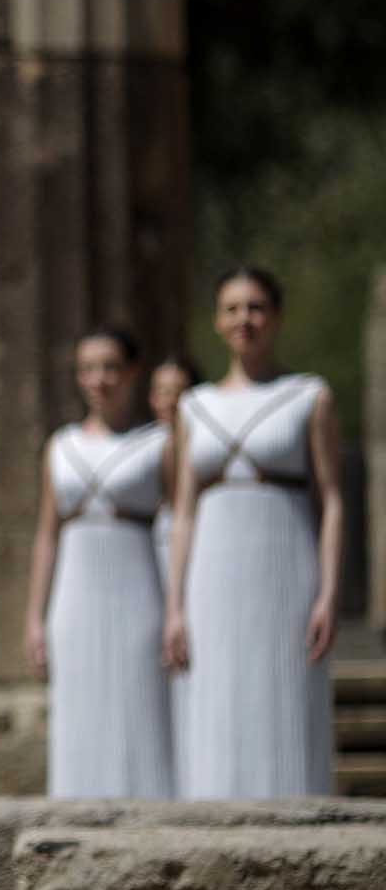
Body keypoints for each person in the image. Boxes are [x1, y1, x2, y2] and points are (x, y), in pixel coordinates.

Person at [165, 267, 342, 797]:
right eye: (233, 309)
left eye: (256, 307)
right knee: (217, 697)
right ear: (218, 322)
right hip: (213, 571)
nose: (245, 319)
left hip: (286, 563)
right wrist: (174, 605)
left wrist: (328, 595)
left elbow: (332, 500)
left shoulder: (308, 396)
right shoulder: (194, 406)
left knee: (284, 695)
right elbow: (185, 510)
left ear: (277, 318)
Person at [26, 330, 172, 797]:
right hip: (75, 592)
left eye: (109, 367)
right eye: (88, 369)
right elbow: (47, 534)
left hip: (138, 588)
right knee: (78, 706)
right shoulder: (61, 446)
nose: (99, 379)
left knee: (138, 704)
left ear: (131, 373)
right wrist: (35, 616)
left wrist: (178, 607)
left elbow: (178, 526)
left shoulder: (160, 443)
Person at [147, 355, 199, 750]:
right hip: (152, 558)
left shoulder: (199, 446)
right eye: (162, 392)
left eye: (178, 392)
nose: (169, 401)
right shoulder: (147, 446)